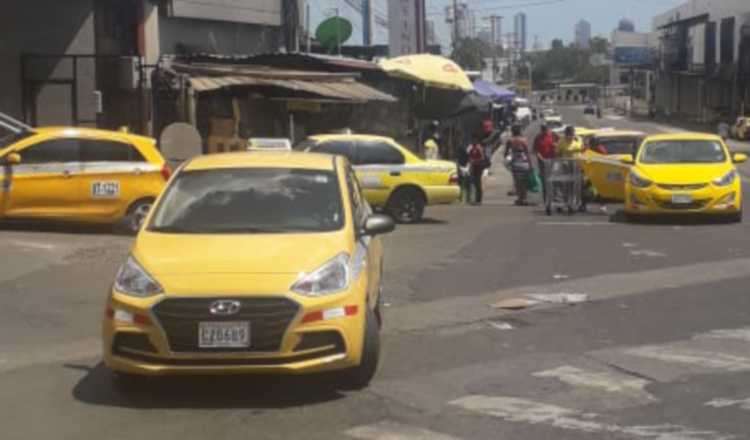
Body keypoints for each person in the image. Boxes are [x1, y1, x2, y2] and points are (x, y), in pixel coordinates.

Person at [504, 125, 532, 206]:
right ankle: (524, 198)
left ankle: (520, 198)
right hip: (524, 162)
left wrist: (507, 159)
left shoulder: (510, 140)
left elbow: (506, 153)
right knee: (524, 181)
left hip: (515, 163)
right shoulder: (523, 140)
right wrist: (530, 164)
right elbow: (527, 153)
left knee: (517, 182)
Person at [533, 124, 555, 202]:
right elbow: (535, 150)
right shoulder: (538, 138)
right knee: (545, 181)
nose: (544, 131)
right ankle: (546, 198)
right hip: (542, 162)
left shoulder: (552, 135)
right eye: (543, 129)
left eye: (545, 129)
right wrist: (541, 158)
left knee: (553, 180)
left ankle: (554, 197)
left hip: (553, 162)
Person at [467, 134, 486, 205]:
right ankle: (475, 199)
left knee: (478, 183)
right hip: (473, 166)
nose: (473, 141)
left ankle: (479, 200)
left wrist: (475, 161)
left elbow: (482, 158)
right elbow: (470, 156)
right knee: (474, 183)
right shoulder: (472, 148)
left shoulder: (479, 148)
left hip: (479, 167)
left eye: (474, 140)